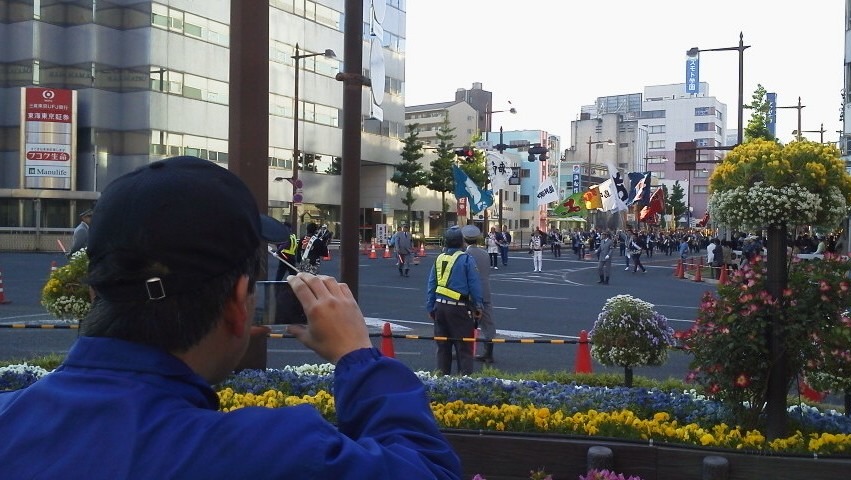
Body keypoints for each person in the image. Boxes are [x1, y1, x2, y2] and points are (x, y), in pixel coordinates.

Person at [0, 156, 461, 479]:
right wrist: (358, 358)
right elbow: (428, 470)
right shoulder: (275, 454)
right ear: (240, 302)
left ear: (94, 288)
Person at [426, 226, 483, 376]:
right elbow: (474, 285)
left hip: (440, 307)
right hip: (459, 309)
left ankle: (441, 383)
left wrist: (430, 307)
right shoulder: (465, 259)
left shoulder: (439, 259)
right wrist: (478, 306)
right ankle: (464, 384)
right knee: (464, 348)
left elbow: (431, 285)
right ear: (461, 242)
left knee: (442, 347)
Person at [462, 225, 496, 364]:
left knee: (463, 321)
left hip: (469, 293)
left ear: (464, 239)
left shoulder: (464, 255)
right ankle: (489, 353)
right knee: (488, 323)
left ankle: (463, 350)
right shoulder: (485, 254)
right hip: (485, 291)